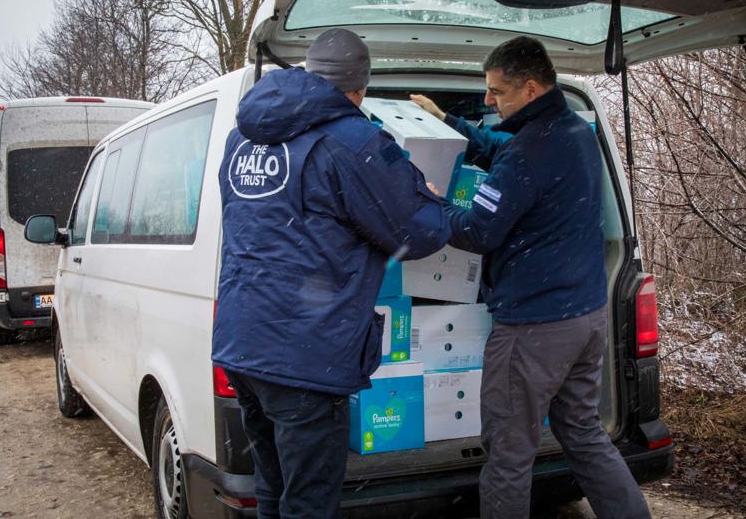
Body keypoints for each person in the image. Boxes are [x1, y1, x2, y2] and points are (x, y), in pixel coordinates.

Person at [213, 28, 450, 519]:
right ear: (359, 87)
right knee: (311, 504)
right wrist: (424, 190)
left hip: (244, 343)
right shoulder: (354, 140)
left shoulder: (244, 137)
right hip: (305, 355)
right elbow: (420, 233)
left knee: (274, 489)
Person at [411, 36, 652, 519]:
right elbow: (506, 149)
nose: (488, 101)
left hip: (533, 329)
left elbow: (478, 230)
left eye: (498, 92)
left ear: (532, 88)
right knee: (582, 432)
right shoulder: (573, 130)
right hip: (584, 317)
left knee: (508, 452)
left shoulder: (529, 153)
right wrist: (450, 124)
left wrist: (428, 200)